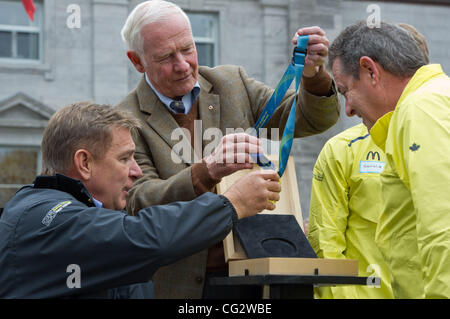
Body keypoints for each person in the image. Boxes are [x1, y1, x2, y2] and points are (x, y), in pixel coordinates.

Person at [117, 0, 340, 298]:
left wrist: (313, 74)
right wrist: (206, 171)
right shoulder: (124, 120)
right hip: (183, 287)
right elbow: (140, 203)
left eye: (187, 48)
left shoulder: (231, 83)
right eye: (166, 57)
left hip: (256, 278)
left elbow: (310, 120)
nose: (183, 64)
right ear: (137, 61)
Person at [0, 102, 281, 298]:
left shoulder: (84, 217)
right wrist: (231, 204)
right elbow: (147, 237)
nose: (136, 171)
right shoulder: (45, 218)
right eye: (124, 158)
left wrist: (209, 173)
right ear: (84, 162)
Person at [328, 20, 450, 298]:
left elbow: (444, 229)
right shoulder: (434, 100)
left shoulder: (421, 109)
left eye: (345, 91)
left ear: (370, 70)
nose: (347, 109)